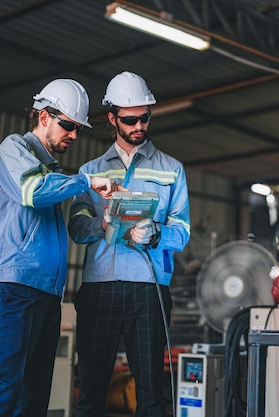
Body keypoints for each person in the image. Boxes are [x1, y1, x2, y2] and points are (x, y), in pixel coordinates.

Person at [0, 78, 115, 417]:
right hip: (13, 289)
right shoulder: (14, 150)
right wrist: (85, 180)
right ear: (43, 117)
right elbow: (31, 191)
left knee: (35, 397)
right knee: (5, 391)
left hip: (46, 294)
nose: (73, 134)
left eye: (77, 128)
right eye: (68, 125)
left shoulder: (51, 170)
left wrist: (103, 224)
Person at [68, 71, 191, 417]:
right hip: (100, 288)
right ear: (112, 119)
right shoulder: (90, 171)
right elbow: (76, 227)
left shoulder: (172, 170)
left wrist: (156, 234)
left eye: (145, 117)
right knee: (90, 389)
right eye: (130, 119)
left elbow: (182, 230)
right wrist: (101, 223)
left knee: (151, 393)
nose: (139, 125)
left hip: (148, 290)